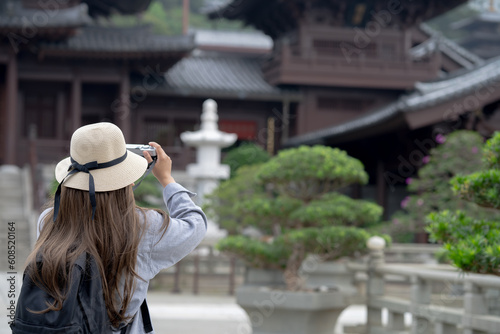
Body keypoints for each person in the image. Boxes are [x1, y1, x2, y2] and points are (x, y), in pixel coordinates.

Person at [28, 122, 207, 333]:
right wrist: (167, 179)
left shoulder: (48, 220)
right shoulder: (143, 227)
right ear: (125, 180)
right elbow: (195, 225)